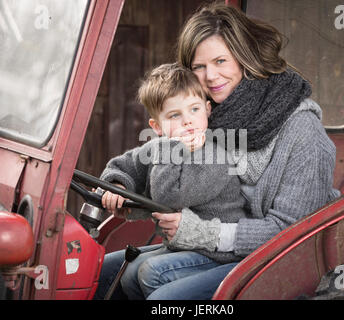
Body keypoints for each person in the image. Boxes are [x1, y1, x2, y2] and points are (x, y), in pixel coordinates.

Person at [96, 2, 340, 300]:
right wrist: (121, 183)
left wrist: (202, 232)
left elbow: (292, 234)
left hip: (274, 257)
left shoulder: (302, 132)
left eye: (221, 61)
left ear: (243, 58)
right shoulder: (207, 113)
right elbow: (151, 155)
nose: (210, 76)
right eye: (199, 66)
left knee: (163, 295)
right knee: (106, 272)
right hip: (213, 248)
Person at [94, 63, 247, 300]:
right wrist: (117, 185)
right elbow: (124, 165)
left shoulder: (217, 156)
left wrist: (171, 148)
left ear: (207, 110)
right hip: (181, 246)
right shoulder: (162, 146)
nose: (188, 121)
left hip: (217, 252)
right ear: (156, 126)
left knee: (149, 272)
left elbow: (170, 197)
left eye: (194, 109)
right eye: (175, 115)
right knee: (119, 272)